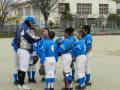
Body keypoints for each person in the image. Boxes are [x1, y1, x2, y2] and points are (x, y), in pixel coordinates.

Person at [15, 16, 40, 90]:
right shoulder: (26, 28)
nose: (32, 24)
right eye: (32, 22)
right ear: (29, 22)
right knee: (24, 67)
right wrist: (39, 38)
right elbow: (31, 39)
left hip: (20, 49)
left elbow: (16, 39)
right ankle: (21, 85)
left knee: (21, 67)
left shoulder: (20, 28)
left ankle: (20, 84)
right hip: (24, 50)